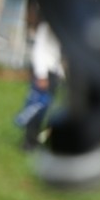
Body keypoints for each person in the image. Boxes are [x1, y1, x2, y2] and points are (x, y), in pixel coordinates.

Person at [17, 19, 64, 151]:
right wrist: (41, 75)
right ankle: (28, 142)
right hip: (44, 71)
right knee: (36, 106)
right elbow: (39, 50)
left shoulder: (65, 27)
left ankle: (37, 138)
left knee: (46, 108)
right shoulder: (46, 26)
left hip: (55, 72)